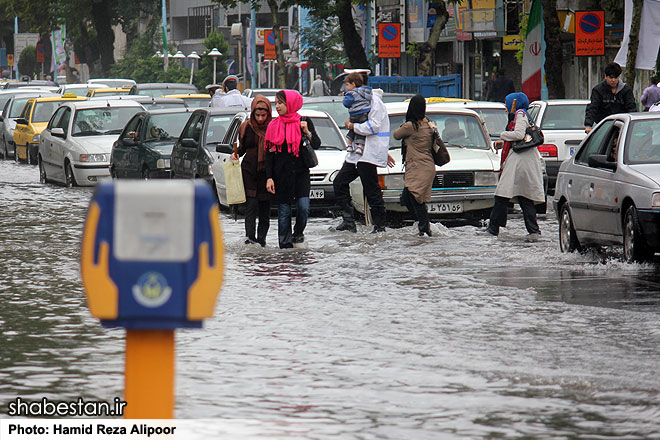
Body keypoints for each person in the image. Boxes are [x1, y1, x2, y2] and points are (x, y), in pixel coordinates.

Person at [333, 71, 391, 234]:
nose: (345, 89)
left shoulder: (375, 101)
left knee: (371, 189)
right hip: (356, 154)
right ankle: (348, 221)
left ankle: (379, 226)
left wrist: (353, 126)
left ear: (356, 85)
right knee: (339, 183)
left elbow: (374, 126)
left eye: (348, 85)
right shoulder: (359, 101)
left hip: (369, 153)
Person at [482, 92, 545, 241]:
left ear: (515, 103)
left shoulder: (521, 114)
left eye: (507, 103)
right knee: (523, 196)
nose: (505, 106)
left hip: (520, 162)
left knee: (503, 194)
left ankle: (493, 229)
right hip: (523, 161)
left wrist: (503, 135)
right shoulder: (521, 115)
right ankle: (533, 231)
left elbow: (518, 135)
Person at [265, 90, 321, 249]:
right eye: (276, 103)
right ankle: (285, 248)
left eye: (281, 103)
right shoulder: (273, 125)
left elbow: (316, 144)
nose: (278, 106)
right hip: (281, 175)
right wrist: (269, 177)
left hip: (301, 174)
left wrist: (307, 132)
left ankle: (298, 235)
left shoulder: (304, 121)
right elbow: (269, 155)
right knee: (284, 214)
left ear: (290, 103)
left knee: (304, 208)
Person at [230, 95, 273, 247]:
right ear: (253, 113)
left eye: (264, 115)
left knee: (264, 208)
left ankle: (262, 241)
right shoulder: (246, 127)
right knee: (251, 206)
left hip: (267, 172)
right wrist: (235, 154)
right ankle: (250, 240)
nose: (261, 118)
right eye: (257, 115)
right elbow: (241, 149)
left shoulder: (273, 128)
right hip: (248, 171)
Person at [393, 95, 436, 236]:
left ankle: (425, 231)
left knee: (416, 198)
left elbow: (396, 135)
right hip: (424, 167)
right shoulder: (428, 123)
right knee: (407, 197)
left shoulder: (410, 126)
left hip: (419, 167)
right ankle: (421, 226)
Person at [584, 62, 636, 133]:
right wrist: (588, 125)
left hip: (622, 126)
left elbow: (631, 108)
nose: (613, 80)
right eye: (611, 77)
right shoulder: (598, 90)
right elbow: (593, 108)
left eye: (616, 77)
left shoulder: (626, 90)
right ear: (605, 76)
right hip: (603, 126)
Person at [342, 72, 372, 155]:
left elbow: (346, 103)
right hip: (364, 114)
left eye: (347, 85)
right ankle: (360, 146)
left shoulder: (352, 93)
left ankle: (350, 145)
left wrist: (345, 97)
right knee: (361, 131)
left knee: (352, 128)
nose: (346, 87)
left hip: (354, 114)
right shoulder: (367, 92)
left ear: (353, 84)